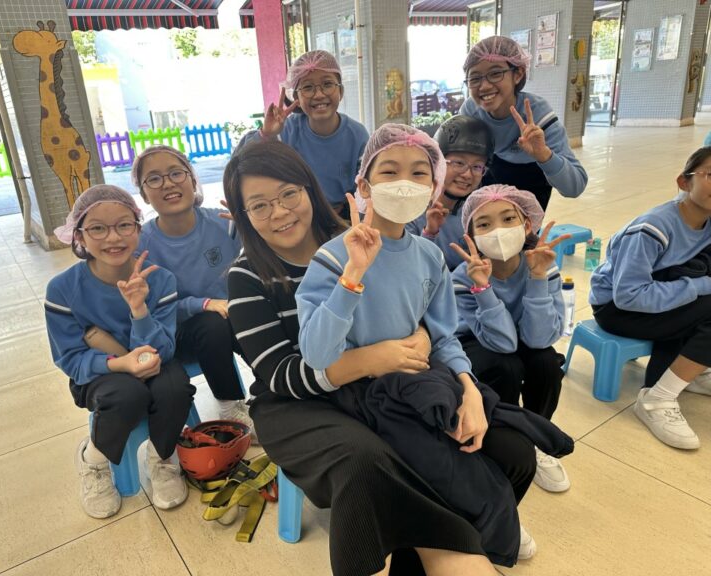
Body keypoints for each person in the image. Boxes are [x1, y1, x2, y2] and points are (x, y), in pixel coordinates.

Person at [224, 140, 506, 576]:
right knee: (363, 460)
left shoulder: (360, 237)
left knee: (471, 436)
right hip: (293, 405)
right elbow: (281, 375)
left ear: (309, 189)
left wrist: (424, 340)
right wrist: (371, 360)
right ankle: (443, 549)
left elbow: (415, 306)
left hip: (377, 386)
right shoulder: (246, 276)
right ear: (243, 216)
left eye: (288, 194)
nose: (279, 213)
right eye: (259, 206)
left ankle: (451, 542)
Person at [296, 124, 572, 568]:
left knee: (515, 452)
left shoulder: (428, 257)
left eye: (419, 173)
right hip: (363, 394)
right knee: (449, 470)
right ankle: (477, 526)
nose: (405, 183)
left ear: (433, 187)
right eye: (390, 171)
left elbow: (443, 336)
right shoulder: (333, 257)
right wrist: (353, 276)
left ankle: (490, 522)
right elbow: (316, 354)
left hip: (423, 379)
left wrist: (469, 390)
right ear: (364, 187)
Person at [44, 185, 195, 519]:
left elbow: (165, 349)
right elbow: (70, 358)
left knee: (175, 388)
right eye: (98, 228)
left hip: (154, 359)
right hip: (99, 373)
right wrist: (119, 364)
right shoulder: (62, 290)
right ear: (79, 236)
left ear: (138, 229)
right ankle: (93, 460)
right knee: (127, 395)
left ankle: (162, 458)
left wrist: (139, 310)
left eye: (124, 225)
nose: (113, 237)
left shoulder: (161, 280)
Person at [450, 184, 571, 492]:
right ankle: (505, 438)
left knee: (546, 363)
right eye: (484, 224)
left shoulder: (543, 266)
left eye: (508, 219)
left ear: (527, 225)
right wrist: (483, 288)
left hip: (527, 336)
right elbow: (502, 344)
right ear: (472, 236)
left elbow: (540, 339)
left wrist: (538, 277)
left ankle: (537, 437)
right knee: (506, 366)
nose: (498, 231)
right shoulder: (463, 277)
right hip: (479, 342)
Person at [590, 146, 711, 450]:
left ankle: (692, 371)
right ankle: (657, 398)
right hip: (616, 307)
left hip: (660, 296)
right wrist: (700, 286)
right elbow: (629, 295)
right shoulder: (652, 228)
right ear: (684, 182)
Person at [131, 145, 254, 436]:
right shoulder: (141, 244)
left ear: (192, 179)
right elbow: (150, 308)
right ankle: (230, 408)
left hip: (228, 319)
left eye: (176, 173)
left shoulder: (223, 223)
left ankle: (277, 387)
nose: (168, 183)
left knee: (252, 311)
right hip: (174, 335)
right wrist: (203, 303)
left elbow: (261, 254)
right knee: (212, 322)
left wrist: (253, 225)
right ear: (144, 194)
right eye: (154, 179)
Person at [459, 35, 587, 211]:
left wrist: (544, 155)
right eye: (475, 78)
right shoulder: (471, 114)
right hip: (486, 201)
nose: (485, 86)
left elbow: (575, 187)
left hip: (530, 201)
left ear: (518, 74)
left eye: (495, 74)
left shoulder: (539, 118)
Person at [236, 49, 369, 218]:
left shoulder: (357, 136)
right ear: (296, 97)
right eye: (307, 87)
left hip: (342, 217)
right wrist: (266, 134)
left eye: (327, 84)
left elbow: (366, 188)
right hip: (294, 216)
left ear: (340, 91)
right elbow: (241, 163)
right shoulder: (286, 132)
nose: (319, 94)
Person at [406, 115, 494, 270]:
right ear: (437, 162)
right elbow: (408, 269)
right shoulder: (409, 210)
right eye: (459, 163)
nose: (467, 174)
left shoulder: (479, 212)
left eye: (477, 167)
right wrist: (429, 233)